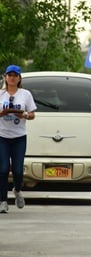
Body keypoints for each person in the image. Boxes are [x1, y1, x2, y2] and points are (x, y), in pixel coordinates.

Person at [0, 64, 37, 213]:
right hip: (2, 136)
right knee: (2, 169)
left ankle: (18, 190)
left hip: (19, 136)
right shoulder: (1, 94)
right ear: (5, 77)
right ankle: (3, 201)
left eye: (15, 75)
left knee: (17, 169)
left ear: (19, 78)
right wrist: (3, 113)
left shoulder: (25, 94)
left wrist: (25, 115)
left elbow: (33, 114)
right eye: (10, 75)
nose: (12, 78)